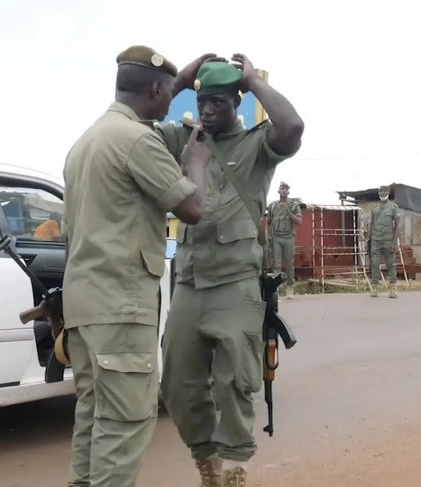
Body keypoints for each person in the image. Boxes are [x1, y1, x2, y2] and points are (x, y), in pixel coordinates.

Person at [62, 46, 208, 487]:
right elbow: (192, 207)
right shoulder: (138, 141)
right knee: (124, 425)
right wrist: (197, 163)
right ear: (158, 90)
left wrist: (178, 80)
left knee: (93, 419)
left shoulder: (88, 139)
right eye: (169, 91)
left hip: (85, 307)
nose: (172, 100)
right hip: (121, 306)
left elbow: (153, 97)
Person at [156, 54, 304, 486]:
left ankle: (235, 466)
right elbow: (136, 132)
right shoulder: (184, 138)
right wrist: (180, 79)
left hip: (236, 283)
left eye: (218, 102)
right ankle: (208, 461)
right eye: (201, 101)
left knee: (234, 382)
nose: (206, 111)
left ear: (236, 102)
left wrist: (254, 81)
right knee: (177, 385)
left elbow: (292, 128)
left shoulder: (257, 145)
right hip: (189, 282)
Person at [266, 181, 302, 298]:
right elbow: (269, 222)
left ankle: (290, 287)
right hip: (276, 237)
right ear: (278, 191)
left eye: (286, 189)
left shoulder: (294, 205)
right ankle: (276, 289)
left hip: (288, 237)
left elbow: (299, 222)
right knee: (276, 264)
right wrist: (269, 236)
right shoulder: (272, 206)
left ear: (289, 191)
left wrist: (288, 210)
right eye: (282, 188)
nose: (284, 190)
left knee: (289, 264)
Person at [367, 185, 401, 298]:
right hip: (375, 240)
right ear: (378, 193)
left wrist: (394, 242)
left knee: (390, 264)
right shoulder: (374, 208)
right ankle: (375, 287)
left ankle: (393, 288)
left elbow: (397, 225)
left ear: (388, 192)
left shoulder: (393, 207)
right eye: (380, 191)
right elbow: (371, 224)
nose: (382, 193)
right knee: (374, 264)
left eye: (385, 191)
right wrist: (368, 237)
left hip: (388, 240)